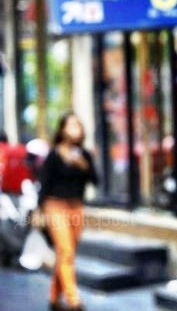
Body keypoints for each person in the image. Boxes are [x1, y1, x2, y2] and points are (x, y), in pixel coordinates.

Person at [38, 112, 99, 311]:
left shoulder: (84, 155)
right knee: (65, 251)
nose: (75, 129)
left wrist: (84, 166)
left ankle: (54, 298)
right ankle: (74, 301)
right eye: (71, 125)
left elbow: (95, 181)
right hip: (54, 206)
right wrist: (39, 211)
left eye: (78, 125)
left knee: (67, 252)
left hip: (76, 207)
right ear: (62, 129)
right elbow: (44, 184)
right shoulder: (54, 154)